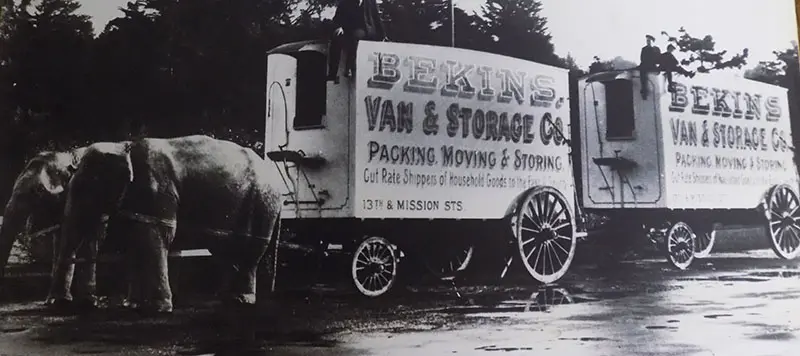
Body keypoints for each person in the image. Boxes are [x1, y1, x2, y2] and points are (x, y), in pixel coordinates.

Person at [326, 0, 387, 82]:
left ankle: (350, 67)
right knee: (336, 39)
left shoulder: (370, 1)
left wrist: (383, 35)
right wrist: (338, 27)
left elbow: (376, 18)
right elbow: (337, 18)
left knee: (358, 35)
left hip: (367, 31)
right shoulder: (345, 2)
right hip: (349, 30)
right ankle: (333, 73)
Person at [639, 34, 661, 99]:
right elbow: (642, 58)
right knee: (642, 73)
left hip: (651, 64)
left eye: (649, 41)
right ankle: (644, 90)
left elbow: (656, 59)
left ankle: (645, 91)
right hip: (645, 64)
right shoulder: (644, 49)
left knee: (645, 72)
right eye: (647, 41)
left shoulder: (654, 49)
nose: (648, 42)